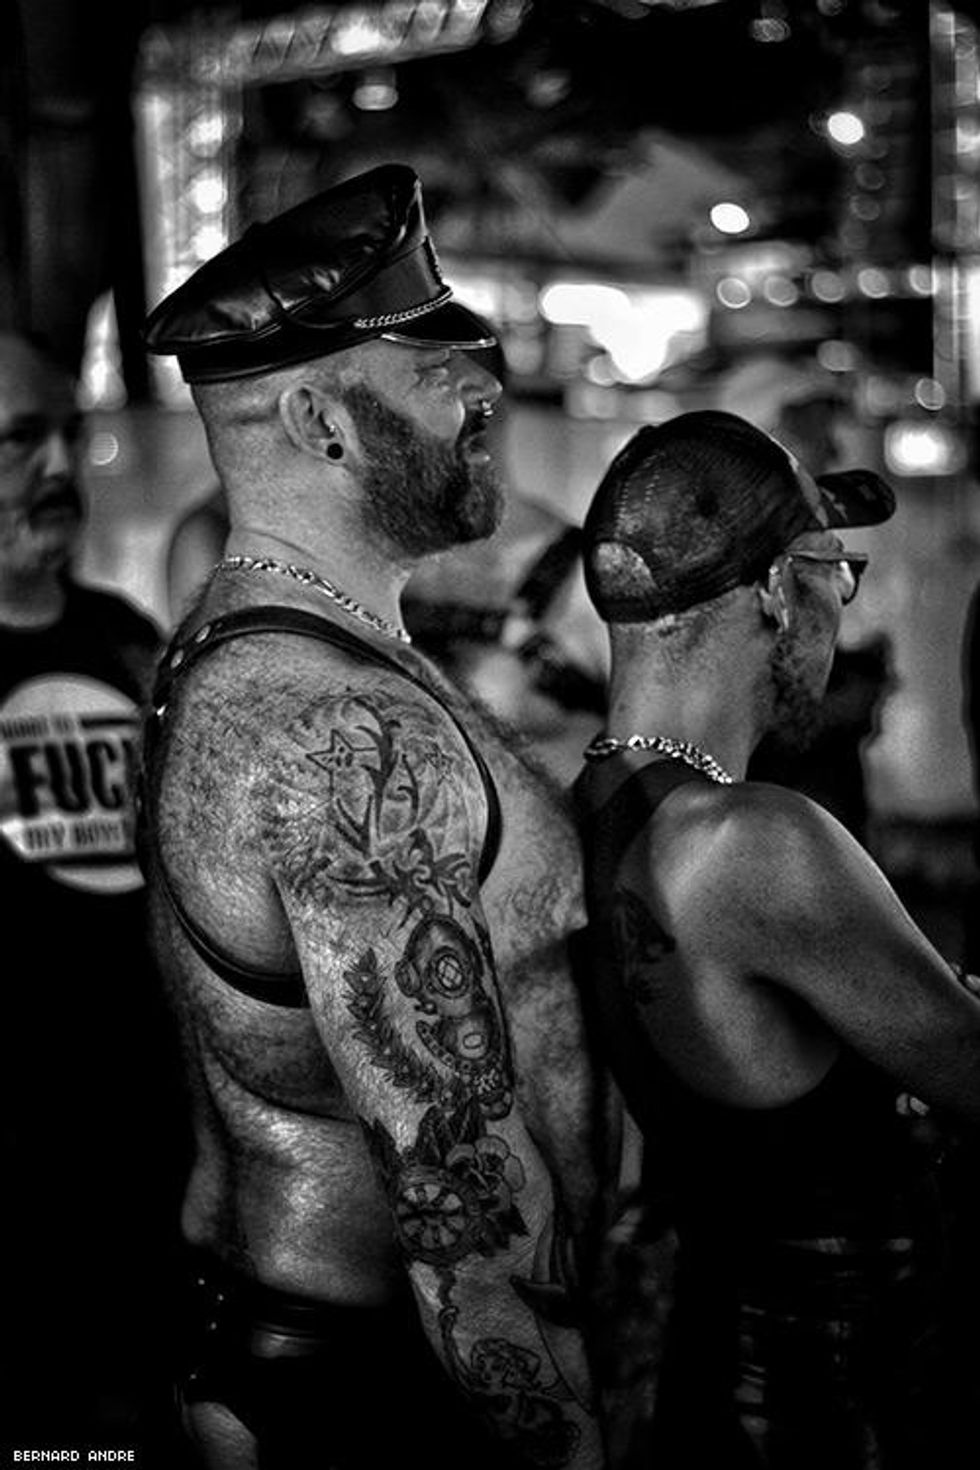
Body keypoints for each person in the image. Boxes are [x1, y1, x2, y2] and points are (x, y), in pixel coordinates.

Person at [139, 163, 606, 1469]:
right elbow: (456, 1184)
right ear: (321, 420)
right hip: (379, 1390)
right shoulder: (336, 730)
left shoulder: (257, 651)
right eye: (432, 366)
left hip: (329, 1355)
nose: (480, 392)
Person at [571, 409, 980, 1469]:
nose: (844, 606)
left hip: (716, 1378)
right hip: (834, 1413)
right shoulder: (753, 840)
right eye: (835, 571)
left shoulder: (596, 805)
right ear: (770, 589)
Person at [0, 331, 186, 1457]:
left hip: (142, 1146)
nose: (61, 467)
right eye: (21, 440)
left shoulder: (124, 641)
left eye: (69, 434)